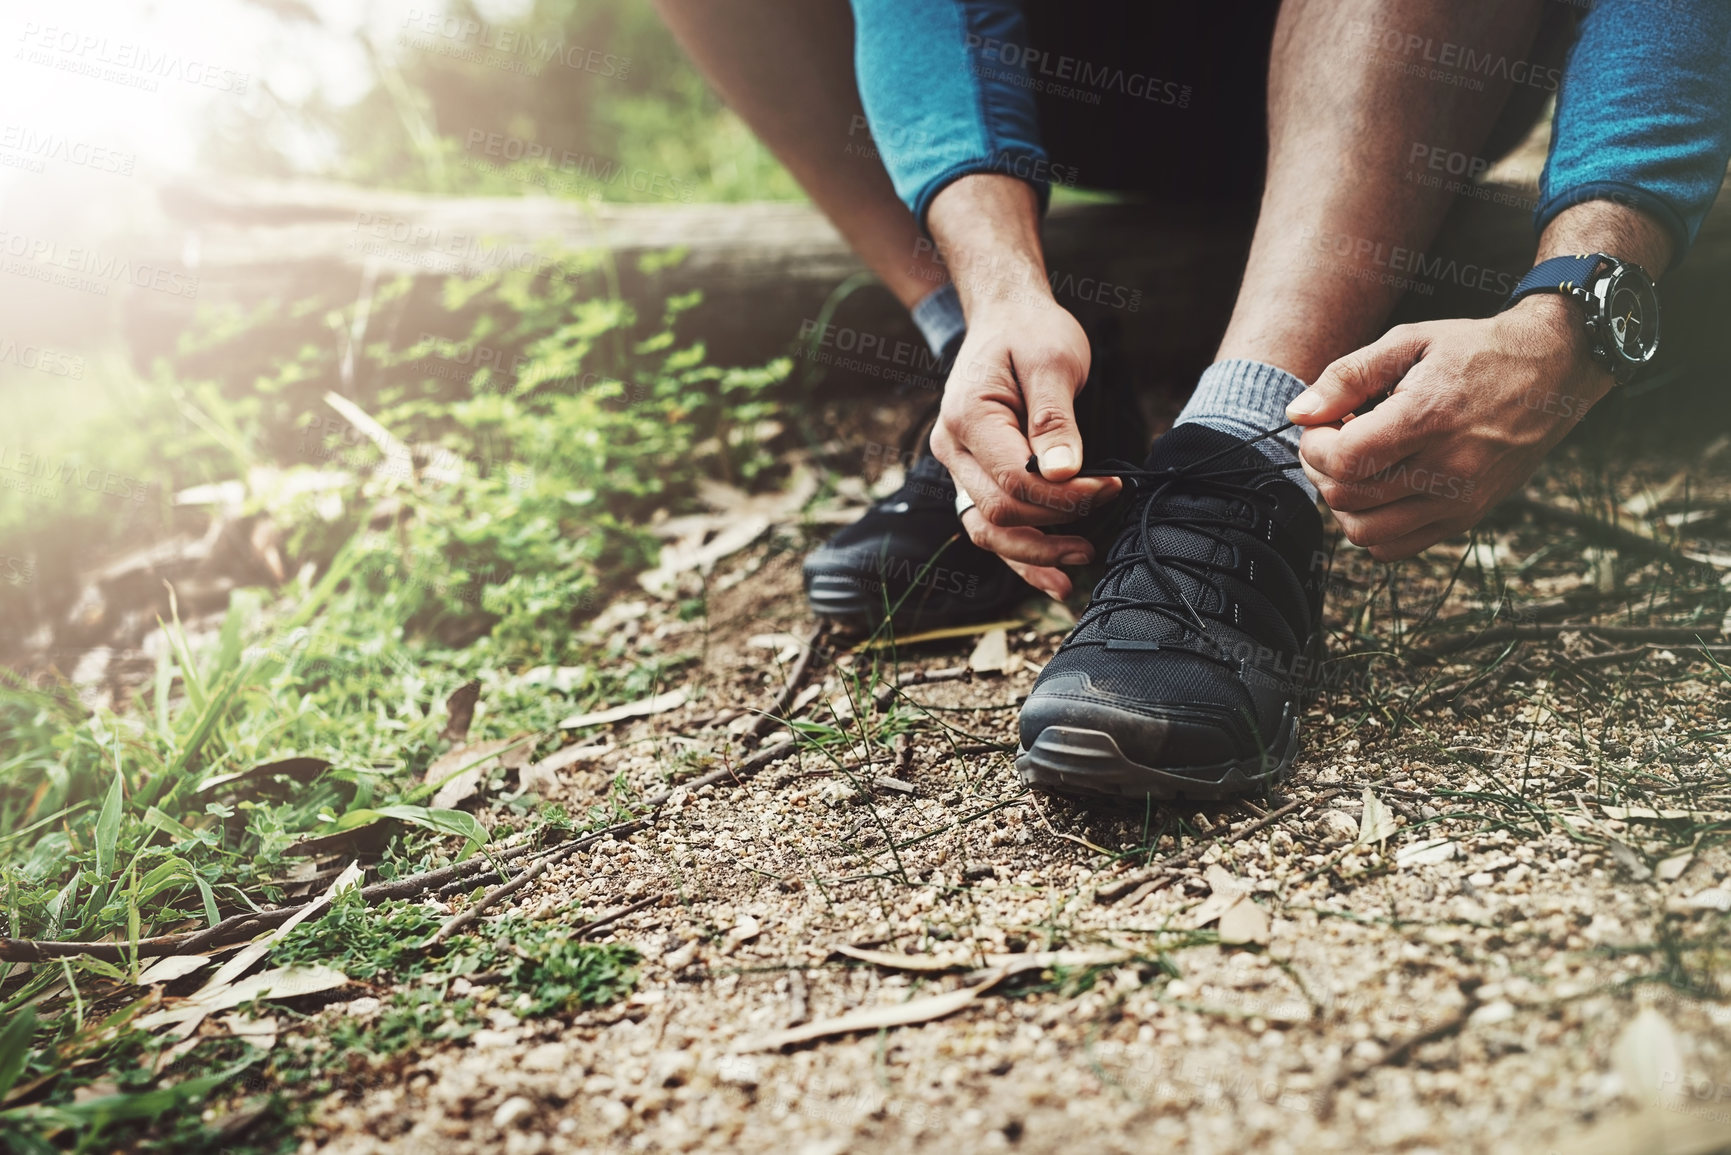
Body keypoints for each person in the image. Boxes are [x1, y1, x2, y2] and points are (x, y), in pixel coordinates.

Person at [651, 0, 1731, 799]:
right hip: (1083, 66)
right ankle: (1024, 384)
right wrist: (996, 295)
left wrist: (1579, 306)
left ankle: (1246, 449)